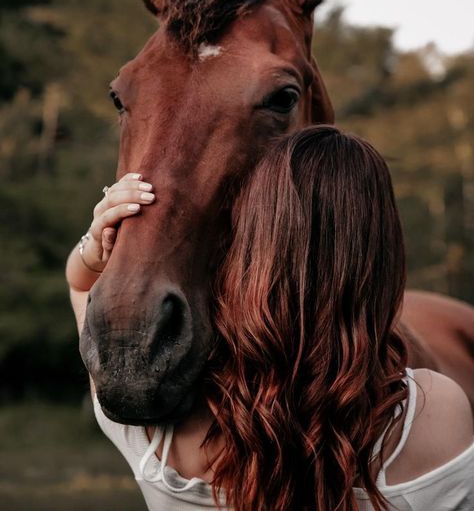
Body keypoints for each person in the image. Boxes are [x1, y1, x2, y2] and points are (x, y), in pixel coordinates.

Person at [66, 126, 474, 510]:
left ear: (249, 249)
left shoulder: (161, 435)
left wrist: (94, 247)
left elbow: (84, 292)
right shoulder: (438, 411)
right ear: (381, 258)